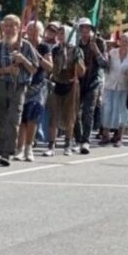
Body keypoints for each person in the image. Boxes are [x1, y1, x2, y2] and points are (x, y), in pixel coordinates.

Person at [0, 14, 38, 166]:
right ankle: (1, 146)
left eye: (12, 26)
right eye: (6, 26)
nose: (9, 29)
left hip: (19, 87)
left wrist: (23, 60)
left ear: (18, 28)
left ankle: (7, 152)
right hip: (2, 85)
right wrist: (7, 70)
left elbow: (34, 68)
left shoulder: (26, 46)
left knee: (13, 118)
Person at [44, 24, 83, 157]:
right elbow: (53, 67)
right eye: (59, 34)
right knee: (53, 116)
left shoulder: (77, 51)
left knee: (70, 116)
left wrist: (77, 62)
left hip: (71, 86)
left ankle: (67, 144)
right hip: (57, 84)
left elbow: (81, 71)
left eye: (62, 34)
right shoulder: (55, 50)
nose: (60, 36)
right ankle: (51, 145)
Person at [15, 21, 52, 160]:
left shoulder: (43, 47)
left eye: (35, 30)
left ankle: (29, 148)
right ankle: (20, 148)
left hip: (38, 86)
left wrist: (37, 54)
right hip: (23, 84)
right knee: (22, 118)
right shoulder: (21, 44)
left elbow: (49, 67)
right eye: (30, 29)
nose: (32, 32)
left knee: (32, 118)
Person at [100, 33, 128, 147]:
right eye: (123, 40)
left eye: (127, 41)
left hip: (124, 86)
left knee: (122, 111)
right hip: (110, 84)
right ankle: (105, 135)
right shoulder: (112, 52)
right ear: (119, 41)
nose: (124, 43)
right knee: (107, 109)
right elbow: (105, 65)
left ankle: (119, 137)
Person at [74, 18, 108, 154]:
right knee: (75, 112)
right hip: (78, 82)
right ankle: (78, 139)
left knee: (88, 112)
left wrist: (96, 51)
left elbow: (104, 64)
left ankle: (86, 141)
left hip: (93, 81)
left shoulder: (99, 43)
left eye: (87, 28)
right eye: (82, 28)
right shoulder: (76, 44)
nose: (84, 31)